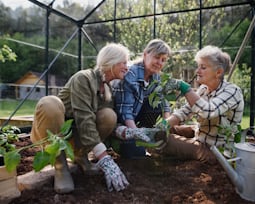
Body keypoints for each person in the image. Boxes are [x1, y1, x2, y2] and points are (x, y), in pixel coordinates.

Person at [31, 43, 130, 194]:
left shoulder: (107, 90)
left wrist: (129, 132)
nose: (126, 67)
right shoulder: (83, 78)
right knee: (50, 103)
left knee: (109, 116)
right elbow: (84, 117)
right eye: (123, 62)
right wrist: (105, 158)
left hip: (73, 135)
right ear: (111, 61)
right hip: (54, 134)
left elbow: (101, 122)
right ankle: (60, 165)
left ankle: (81, 155)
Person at [161, 45, 244, 161]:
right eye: (198, 66)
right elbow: (185, 112)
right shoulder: (203, 89)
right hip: (202, 137)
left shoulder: (232, 91)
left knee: (165, 140)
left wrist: (184, 88)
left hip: (217, 151)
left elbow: (208, 111)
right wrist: (163, 125)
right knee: (163, 131)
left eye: (203, 67)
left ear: (218, 72)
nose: (197, 71)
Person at [112, 39, 171, 158]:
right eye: (157, 57)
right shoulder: (130, 75)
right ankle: (122, 141)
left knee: (156, 105)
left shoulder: (156, 77)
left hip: (135, 116)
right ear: (145, 54)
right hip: (120, 120)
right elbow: (125, 112)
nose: (160, 62)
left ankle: (142, 139)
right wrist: (138, 134)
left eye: (163, 60)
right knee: (136, 154)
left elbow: (164, 104)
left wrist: (166, 126)